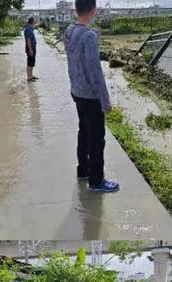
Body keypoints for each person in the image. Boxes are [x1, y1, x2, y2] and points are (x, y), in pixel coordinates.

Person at [64, 0, 120, 193]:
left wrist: (92, 33)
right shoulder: (88, 36)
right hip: (90, 96)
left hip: (77, 91)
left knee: (83, 132)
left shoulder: (69, 31)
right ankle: (96, 181)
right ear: (94, 10)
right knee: (97, 138)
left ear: (76, 9)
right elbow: (95, 72)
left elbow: (75, 58)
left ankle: (83, 171)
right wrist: (105, 101)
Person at [24, 17, 37, 82]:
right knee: (30, 63)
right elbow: (28, 40)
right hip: (30, 48)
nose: (35, 23)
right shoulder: (28, 29)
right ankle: (29, 78)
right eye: (34, 22)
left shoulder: (30, 29)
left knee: (32, 63)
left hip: (32, 48)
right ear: (31, 22)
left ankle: (31, 75)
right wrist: (31, 50)